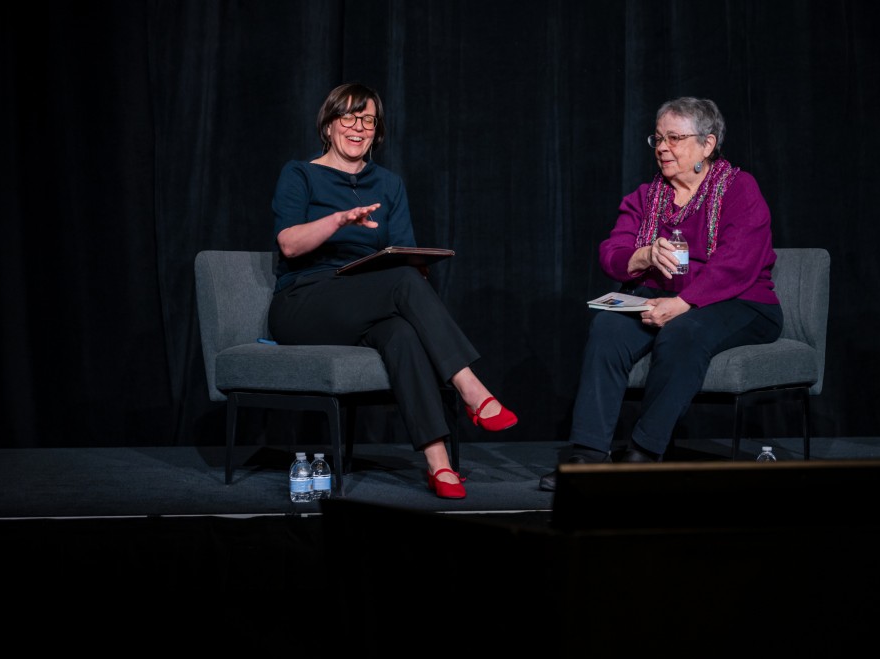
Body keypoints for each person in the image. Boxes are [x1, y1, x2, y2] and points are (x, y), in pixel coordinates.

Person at [268, 82, 516, 499]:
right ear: (329, 125)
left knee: (401, 332)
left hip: (366, 301)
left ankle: (439, 464)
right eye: (348, 117)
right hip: (303, 303)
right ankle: (471, 388)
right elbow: (290, 244)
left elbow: (404, 257)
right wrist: (339, 221)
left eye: (368, 119)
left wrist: (418, 265)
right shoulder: (300, 173)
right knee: (400, 285)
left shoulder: (388, 183)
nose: (358, 127)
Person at [540, 96, 782, 491]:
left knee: (683, 332)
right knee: (607, 329)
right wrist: (643, 254)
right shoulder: (647, 196)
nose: (662, 148)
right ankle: (588, 454)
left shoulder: (739, 188)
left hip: (742, 302)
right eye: (657, 138)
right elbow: (611, 253)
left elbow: (737, 262)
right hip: (661, 295)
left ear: (707, 143)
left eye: (674, 138)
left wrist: (683, 303)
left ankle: (644, 452)